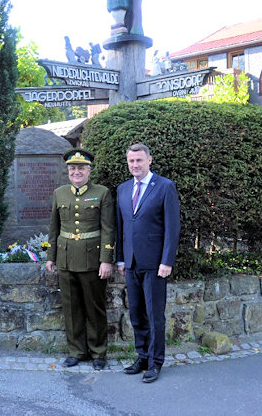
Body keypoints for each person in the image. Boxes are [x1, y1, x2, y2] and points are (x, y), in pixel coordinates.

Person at [116, 143, 180, 383]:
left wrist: (167, 261)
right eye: (131, 161)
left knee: (154, 316)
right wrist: (121, 258)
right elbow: (121, 228)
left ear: (149, 160)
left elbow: (172, 228)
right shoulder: (122, 189)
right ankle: (142, 356)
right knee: (136, 314)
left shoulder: (164, 187)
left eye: (139, 161)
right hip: (131, 263)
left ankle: (155, 362)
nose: (135, 165)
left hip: (155, 265)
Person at [46, 148, 115, 371]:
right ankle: (76, 351)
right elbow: (53, 227)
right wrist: (51, 257)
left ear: (88, 170)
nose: (77, 172)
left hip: (92, 260)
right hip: (66, 259)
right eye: (73, 168)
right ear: (68, 171)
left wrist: (106, 259)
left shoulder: (102, 193)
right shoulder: (60, 193)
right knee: (71, 308)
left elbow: (108, 229)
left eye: (81, 168)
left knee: (94, 308)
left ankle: (98, 353)